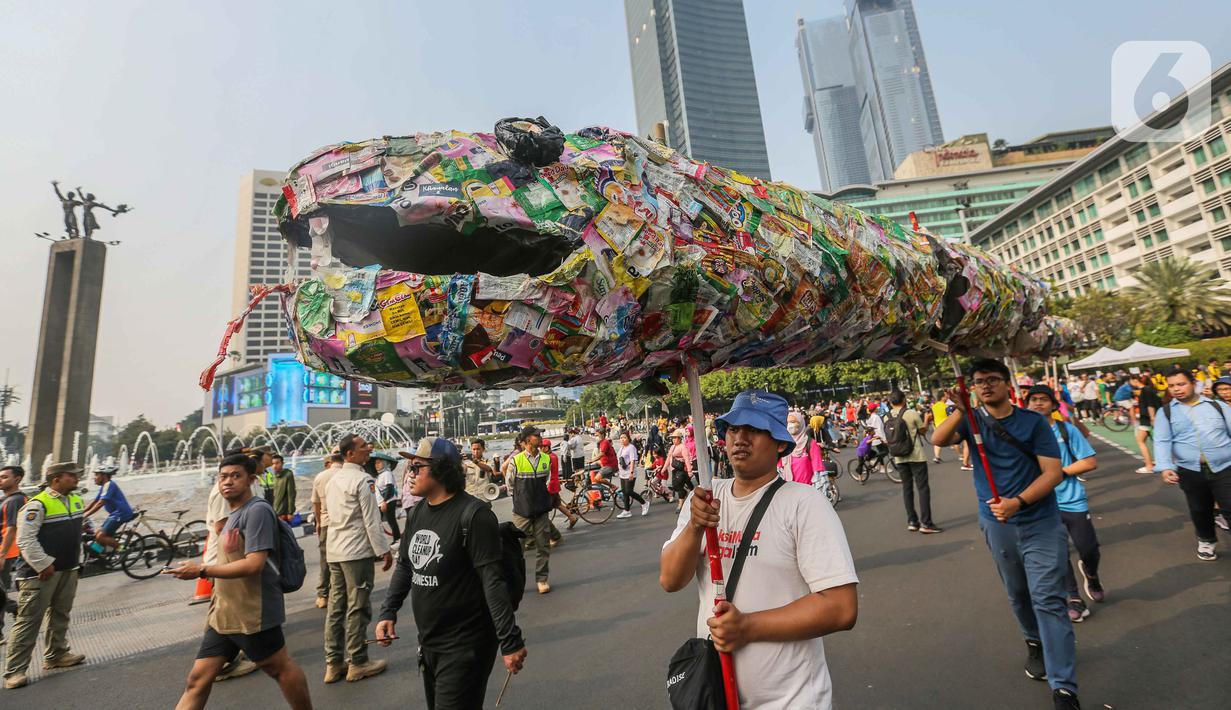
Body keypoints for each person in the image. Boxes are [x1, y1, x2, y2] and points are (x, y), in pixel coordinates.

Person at [660, 390, 859, 709]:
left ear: (781, 443)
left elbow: (841, 607)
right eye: (735, 429)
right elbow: (670, 579)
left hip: (792, 700)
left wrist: (749, 626)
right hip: (718, 695)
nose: (740, 438)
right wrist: (695, 526)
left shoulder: (804, 504)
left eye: (754, 430)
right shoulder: (706, 498)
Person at [932, 359, 1078, 709]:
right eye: (978, 382)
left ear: (1007, 385)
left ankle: (1064, 688)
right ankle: (1034, 641)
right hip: (996, 524)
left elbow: (1053, 473)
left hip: (1039, 521)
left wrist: (1019, 501)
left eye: (992, 380)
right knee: (1018, 593)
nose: (985, 386)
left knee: (1049, 599)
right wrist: (960, 408)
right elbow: (937, 437)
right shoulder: (972, 420)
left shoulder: (1033, 423)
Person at [377, 437, 526, 708]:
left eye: (417, 467)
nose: (409, 474)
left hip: (465, 646)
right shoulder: (418, 511)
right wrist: (388, 611)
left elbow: (492, 582)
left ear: (442, 469)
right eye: (410, 467)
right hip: (429, 644)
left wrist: (510, 641)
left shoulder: (475, 516)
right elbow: (406, 565)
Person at [165, 454, 313, 710]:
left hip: (253, 613)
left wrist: (202, 570)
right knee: (197, 680)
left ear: (251, 480)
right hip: (223, 613)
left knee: (281, 669)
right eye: (223, 477)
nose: (228, 482)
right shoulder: (234, 514)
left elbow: (254, 564)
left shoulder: (257, 511)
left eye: (236, 476)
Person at [3, 462, 87, 690]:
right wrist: (43, 564)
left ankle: (56, 655)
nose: (77, 479)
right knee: (29, 620)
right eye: (72, 476)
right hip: (39, 574)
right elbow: (25, 540)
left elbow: (76, 534)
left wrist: (77, 561)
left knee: (61, 613)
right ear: (56, 479)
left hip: (68, 569)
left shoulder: (76, 499)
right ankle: (15, 671)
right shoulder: (37, 504)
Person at [1026, 386, 1105, 623]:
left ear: (1053, 405)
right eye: (1033, 400)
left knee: (1088, 549)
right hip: (1042, 505)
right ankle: (1073, 598)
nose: (1038, 403)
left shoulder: (1066, 430)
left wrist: (1058, 473)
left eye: (1043, 399)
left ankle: (1091, 574)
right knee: (1058, 553)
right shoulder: (1022, 436)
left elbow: (1089, 462)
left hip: (1072, 500)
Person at [323, 434, 393, 683]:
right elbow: (371, 521)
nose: (369, 449)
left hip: (335, 551)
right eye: (363, 447)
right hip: (356, 552)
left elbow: (328, 516)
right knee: (358, 606)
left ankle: (333, 663)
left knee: (336, 607)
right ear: (350, 454)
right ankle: (358, 661)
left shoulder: (332, 480)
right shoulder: (363, 480)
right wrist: (383, 550)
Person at [1152, 366, 1231, 561]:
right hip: (1190, 470)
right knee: (1200, 508)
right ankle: (1206, 540)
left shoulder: (1218, 406)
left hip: (1224, 467)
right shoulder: (1166, 412)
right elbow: (1162, 440)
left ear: (1193, 384)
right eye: (1171, 386)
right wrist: (1166, 466)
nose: (1176, 389)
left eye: (1181, 384)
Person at [888, 392, 942, 534]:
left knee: (907, 489)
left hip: (899, 457)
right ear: (904, 400)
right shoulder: (911, 413)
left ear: (890, 402)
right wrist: (926, 419)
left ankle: (912, 521)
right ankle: (926, 522)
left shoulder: (886, 416)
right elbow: (922, 431)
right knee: (922, 488)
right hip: (916, 455)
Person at [509, 427, 554, 594]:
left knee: (543, 546)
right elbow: (510, 485)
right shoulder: (516, 460)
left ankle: (542, 580)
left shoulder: (546, 459)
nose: (540, 437)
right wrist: (521, 500)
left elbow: (546, 481)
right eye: (536, 435)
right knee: (516, 548)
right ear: (527, 439)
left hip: (541, 509)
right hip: (522, 512)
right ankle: (515, 581)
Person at [310, 452, 343, 609]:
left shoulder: (320, 477)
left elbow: (315, 503)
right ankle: (342, 592)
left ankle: (323, 595)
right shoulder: (347, 475)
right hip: (344, 524)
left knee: (325, 559)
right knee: (346, 559)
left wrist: (318, 521)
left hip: (325, 523)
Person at [0, 466, 28, 644]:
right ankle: (15, 608)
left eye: (4, 477)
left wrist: (2, 555)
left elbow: (12, 529)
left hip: (6, 551)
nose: (0, 480)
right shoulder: (6, 499)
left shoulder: (15, 501)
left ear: (17, 479)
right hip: (5, 550)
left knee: (0, 590)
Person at [80, 465, 133, 551]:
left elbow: (100, 504)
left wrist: (85, 516)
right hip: (115, 514)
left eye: (97, 475)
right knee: (97, 535)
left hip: (120, 514)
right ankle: (98, 555)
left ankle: (123, 550)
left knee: (100, 536)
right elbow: (95, 502)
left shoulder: (109, 484)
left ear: (104, 476)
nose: (94, 478)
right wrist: (81, 512)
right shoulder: (104, 486)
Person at [615, 431, 649, 519]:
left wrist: (631, 473)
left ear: (628, 438)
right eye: (621, 437)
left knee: (629, 491)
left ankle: (644, 503)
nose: (622, 439)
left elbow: (633, 460)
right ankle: (627, 511)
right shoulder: (622, 448)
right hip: (622, 473)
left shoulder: (631, 447)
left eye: (624, 437)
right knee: (624, 492)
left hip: (630, 473)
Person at [1134, 377, 1163, 475]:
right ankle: (1160, 462)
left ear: (1135, 380)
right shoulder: (1151, 389)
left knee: (1140, 441)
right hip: (1153, 418)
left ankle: (1149, 466)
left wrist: (1152, 418)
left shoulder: (1145, 390)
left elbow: (1150, 405)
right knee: (1157, 441)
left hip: (1147, 419)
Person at [663, 429, 694, 511]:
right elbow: (668, 458)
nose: (673, 439)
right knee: (675, 486)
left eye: (675, 438)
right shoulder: (672, 447)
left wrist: (690, 470)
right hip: (674, 470)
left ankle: (680, 505)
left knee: (679, 486)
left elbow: (686, 459)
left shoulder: (683, 447)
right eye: (672, 438)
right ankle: (689, 492)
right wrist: (664, 468)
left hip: (681, 470)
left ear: (679, 438)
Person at [373, 454, 401, 543]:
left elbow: (390, 488)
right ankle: (394, 539)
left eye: (379, 463)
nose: (376, 465)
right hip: (382, 502)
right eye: (375, 463)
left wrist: (384, 502)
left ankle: (396, 539)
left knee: (391, 522)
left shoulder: (387, 473)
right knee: (382, 522)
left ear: (385, 463)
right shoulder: (380, 475)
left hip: (388, 501)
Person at [271, 455, 297, 522]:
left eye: (277, 463)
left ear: (282, 463)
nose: (274, 466)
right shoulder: (274, 476)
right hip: (275, 511)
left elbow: (291, 494)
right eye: (273, 464)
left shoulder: (287, 475)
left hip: (283, 513)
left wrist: (290, 512)